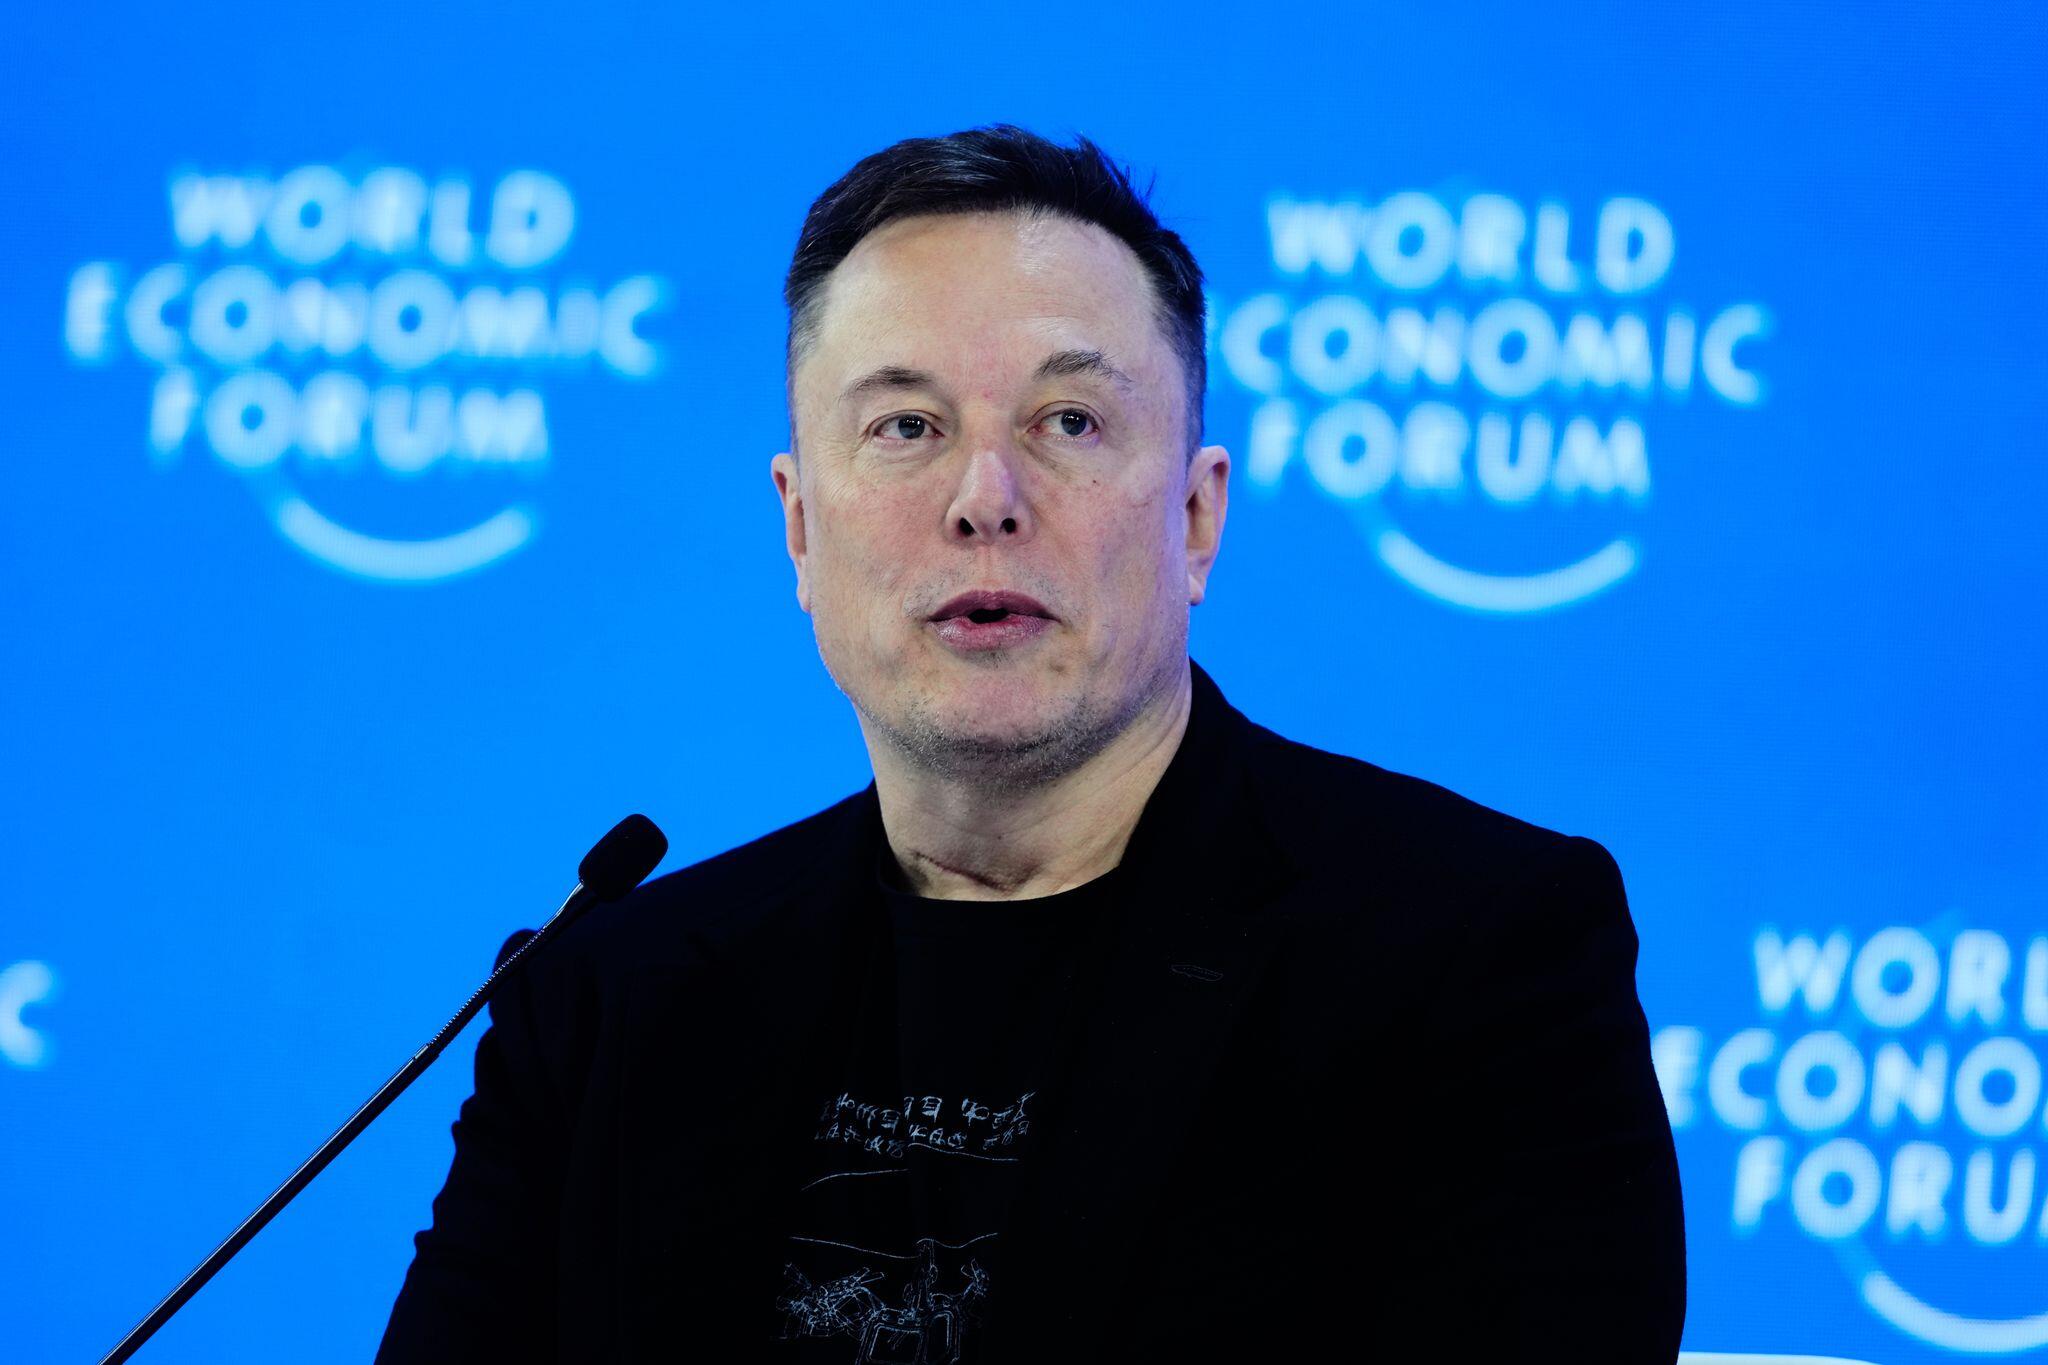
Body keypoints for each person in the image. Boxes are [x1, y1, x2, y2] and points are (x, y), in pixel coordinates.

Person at [376, 124, 1685, 1364]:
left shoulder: (1477, 957)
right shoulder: (605, 1005)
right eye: (906, 426)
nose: (984, 500)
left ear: (1196, 519)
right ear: (799, 527)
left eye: (1069, 422)